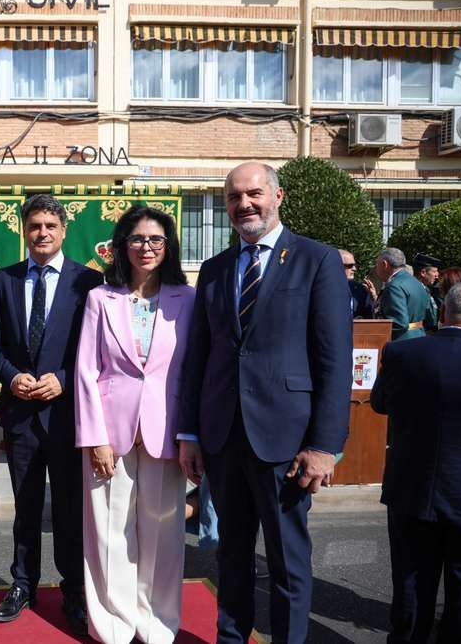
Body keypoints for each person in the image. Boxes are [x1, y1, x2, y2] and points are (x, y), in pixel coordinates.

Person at [178, 162, 352, 644]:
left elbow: (333, 360)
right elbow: (201, 358)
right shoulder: (214, 270)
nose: (244, 204)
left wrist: (324, 444)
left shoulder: (316, 261)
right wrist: (190, 434)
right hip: (224, 437)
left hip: (287, 443)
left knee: (287, 563)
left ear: (279, 197)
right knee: (230, 555)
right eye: (234, 197)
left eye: (254, 193)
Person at [76, 206, 196, 644]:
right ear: (122, 245)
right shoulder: (100, 298)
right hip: (111, 431)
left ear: (168, 247)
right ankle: (113, 626)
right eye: (138, 239)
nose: (147, 247)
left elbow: (191, 371)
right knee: (109, 534)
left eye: (156, 240)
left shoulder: (188, 299)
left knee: (163, 532)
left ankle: (157, 625)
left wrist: (190, 435)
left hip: (167, 431)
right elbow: (86, 371)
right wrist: (96, 438)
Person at [0, 194, 102, 636]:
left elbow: (97, 351)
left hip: (69, 416)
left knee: (72, 510)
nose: (42, 233)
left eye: (50, 226)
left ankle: (74, 589)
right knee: (27, 509)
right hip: (20, 416)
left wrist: (64, 378)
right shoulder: (4, 280)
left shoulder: (89, 282)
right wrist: (11, 375)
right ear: (24, 229)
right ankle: (22, 585)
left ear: (63, 230)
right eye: (34, 226)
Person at [370, 281, 461, 644]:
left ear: (443, 312)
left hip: (412, 484)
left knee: (411, 581)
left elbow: (380, 404)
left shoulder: (402, 354)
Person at [373, 247, 437, 340]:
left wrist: (373, 329)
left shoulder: (394, 286)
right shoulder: (416, 283)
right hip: (419, 336)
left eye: (376, 265)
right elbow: (429, 317)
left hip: (401, 341)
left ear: (384, 264)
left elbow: (399, 323)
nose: (376, 269)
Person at [338, 249, 374, 319]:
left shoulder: (360, 289)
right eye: (350, 265)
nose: (354, 269)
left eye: (354, 265)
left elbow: (369, 316)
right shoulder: (321, 288)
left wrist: (374, 298)